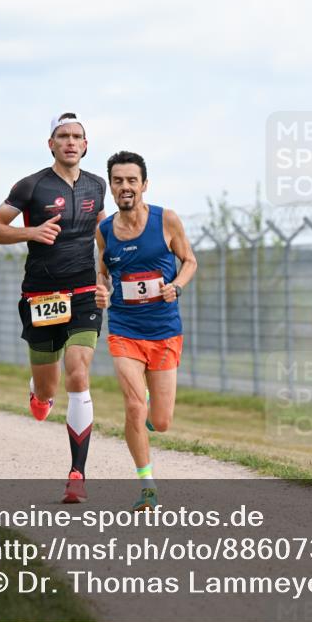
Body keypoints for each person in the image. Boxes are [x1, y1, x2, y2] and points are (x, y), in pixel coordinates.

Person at [0, 112, 106, 504]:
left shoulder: (97, 185)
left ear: (86, 145)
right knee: (49, 386)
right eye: (63, 136)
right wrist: (30, 232)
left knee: (78, 371)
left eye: (77, 136)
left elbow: (104, 237)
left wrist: (107, 281)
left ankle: (77, 475)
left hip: (85, 292)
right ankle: (38, 393)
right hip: (42, 297)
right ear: (50, 144)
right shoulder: (31, 186)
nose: (71, 142)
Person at [95, 151, 197, 511]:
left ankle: (151, 411)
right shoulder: (104, 230)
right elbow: (103, 271)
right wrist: (101, 290)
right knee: (135, 406)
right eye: (118, 181)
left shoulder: (165, 220)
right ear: (111, 186)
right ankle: (147, 485)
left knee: (161, 421)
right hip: (124, 328)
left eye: (131, 180)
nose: (125, 187)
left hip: (165, 330)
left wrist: (177, 286)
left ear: (144, 185)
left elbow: (190, 260)